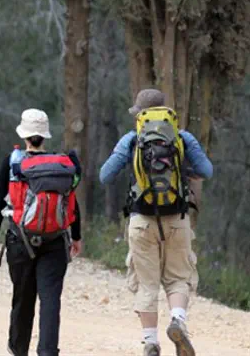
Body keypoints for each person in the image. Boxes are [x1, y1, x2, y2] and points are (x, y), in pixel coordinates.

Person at [100, 89, 213, 356]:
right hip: (177, 219)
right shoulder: (183, 138)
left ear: (139, 114)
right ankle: (178, 321)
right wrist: (185, 169)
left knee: (147, 283)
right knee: (178, 278)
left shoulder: (131, 140)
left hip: (141, 220)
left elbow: (105, 175)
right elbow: (207, 171)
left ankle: (150, 341)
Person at [0, 108, 82, 356]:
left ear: (25, 135)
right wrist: (77, 236)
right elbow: (73, 202)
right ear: (45, 136)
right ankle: (48, 352)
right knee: (50, 300)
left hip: (20, 239)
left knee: (23, 298)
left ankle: (18, 349)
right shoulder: (61, 164)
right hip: (56, 241)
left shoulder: (13, 161)